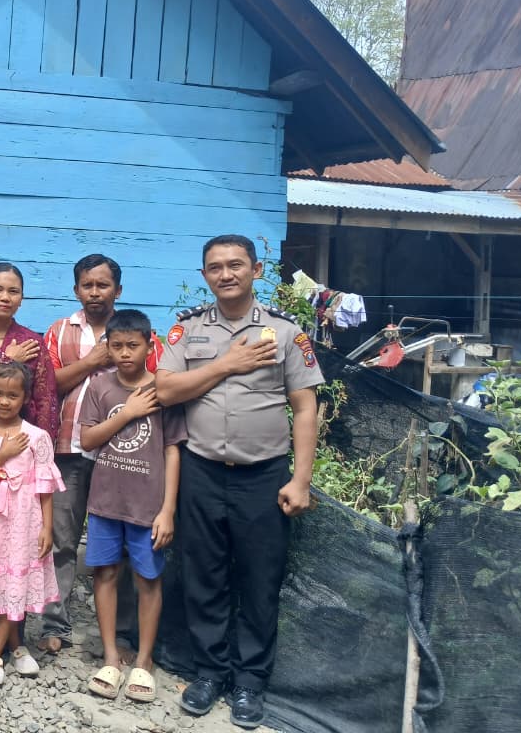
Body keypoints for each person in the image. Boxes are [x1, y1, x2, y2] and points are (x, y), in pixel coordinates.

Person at [155, 235, 323, 730]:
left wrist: (302, 478)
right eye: (215, 267)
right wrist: (226, 364)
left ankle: (250, 683)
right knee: (203, 575)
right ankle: (208, 673)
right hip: (201, 470)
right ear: (204, 274)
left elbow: (306, 406)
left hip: (264, 476)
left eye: (235, 265)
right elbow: (165, 389)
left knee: (259, 578)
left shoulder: (286, 332)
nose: (225, 274)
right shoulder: (186, 332)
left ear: (255, 268)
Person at [79, 309, 186, 705]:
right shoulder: (99, 387)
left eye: (132, 345)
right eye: (117, 345)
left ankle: (144, 660)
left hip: (148, 506)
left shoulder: (164, 391)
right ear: (107, 346)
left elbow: (172, 450)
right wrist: (127, 413)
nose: (124, 353)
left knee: (147, 580)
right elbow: (88, 440)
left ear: (149, 344)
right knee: (104, 574)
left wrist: (168, 509)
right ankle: (110, 656)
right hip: (107, 503)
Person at [0, 362, 63, 688]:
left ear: (25, 397)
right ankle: (17, 646)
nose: (4, 401)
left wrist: (47, 527)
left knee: (15, 581)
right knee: (1, 583)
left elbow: (46, 487)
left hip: (25, 521)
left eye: (13, 395)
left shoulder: (37, 437)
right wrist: (2, 454)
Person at [39, 253, 123, 652]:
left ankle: (121, 631)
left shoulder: (133, 332)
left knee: (119, 540)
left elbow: (150, 383)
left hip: (121, 455)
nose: (95, 292)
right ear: (76, 290)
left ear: (117, 291)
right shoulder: (59, 331)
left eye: (102, 285)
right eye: (87, 285)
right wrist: (92, 361)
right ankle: (55, 625)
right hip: (67, 449)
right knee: (62, 540)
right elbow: (47, 384)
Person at [0, 263, 59, 444]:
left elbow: (46, 400)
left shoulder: (32, 342)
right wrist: (8, 360)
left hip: (21, 442)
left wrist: (41, 444)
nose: (5, 297)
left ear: (22, 298)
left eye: (13, 292)